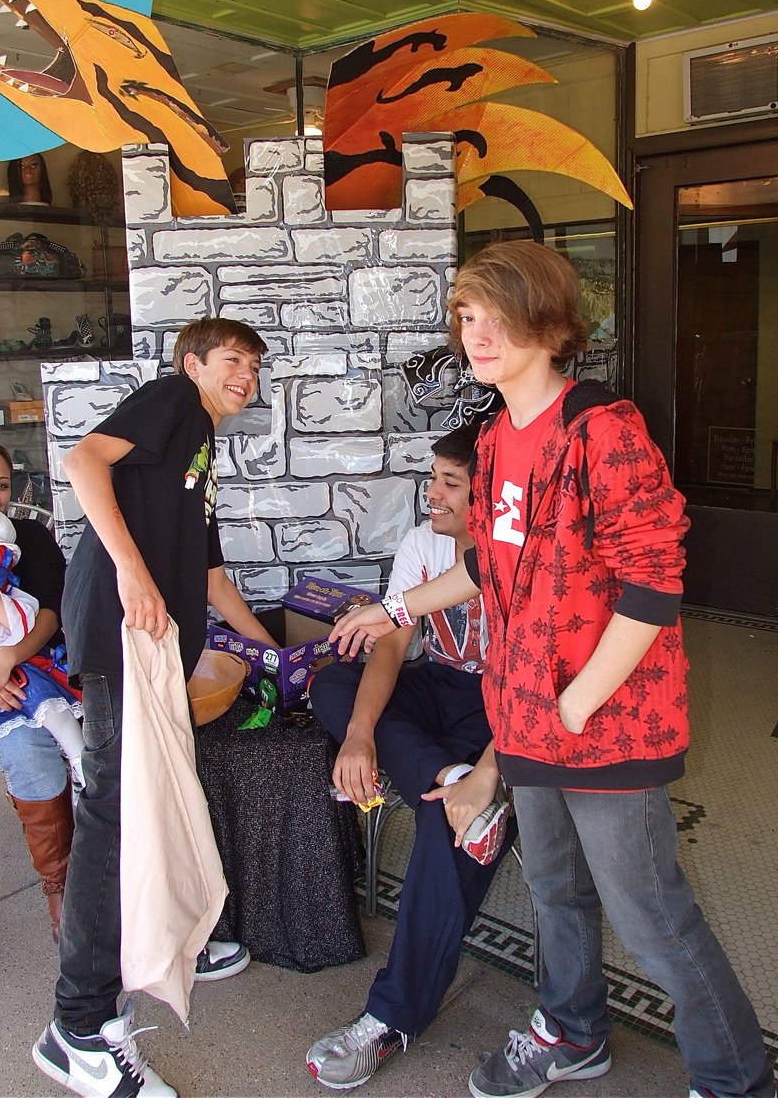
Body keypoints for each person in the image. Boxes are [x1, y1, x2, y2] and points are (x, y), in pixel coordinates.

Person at [328, 241, 776, 1098]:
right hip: (525, 711)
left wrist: (576, 702)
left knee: (651, 916)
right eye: (466, 316)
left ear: (548, 321)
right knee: (557, 890)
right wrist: (397, 609)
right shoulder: (494, 441)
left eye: (496, 313)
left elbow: (654, 579)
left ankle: (734, 1081)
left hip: (604, 725)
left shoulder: (601, 430)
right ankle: (573, 1032)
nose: (478, 331)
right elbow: (489, 567)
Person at [32, 317, 281, 1098]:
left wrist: (272, 651)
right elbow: (82, 460)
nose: (245, 375)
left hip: (154, 644)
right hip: (121, 633)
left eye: (254, 365)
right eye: (232, 360)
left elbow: (210, 579)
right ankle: (75, 1027)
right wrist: (133, 576)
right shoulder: (174, 398)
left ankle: (166, 931)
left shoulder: (198, 450)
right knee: (113, 814)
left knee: (158, 797)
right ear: (193, 363)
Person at [306, 422, 516, 1091]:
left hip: (505, 706)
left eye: (449, 485)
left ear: (487, 497)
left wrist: (491, 761)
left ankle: (389, 1019)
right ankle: (444, 776)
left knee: (439, 829)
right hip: (444, 692)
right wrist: (360, 735)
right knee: (336, 678)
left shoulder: (520, 559)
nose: (432, 496)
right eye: (433, 480)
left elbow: (540, 689)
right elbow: (394, 642)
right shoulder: (422, 544)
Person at [0, 439, 75, 940]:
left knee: (29, 749)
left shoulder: (30, 536)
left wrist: (5, 660)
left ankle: (60, 884)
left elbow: (52, 609)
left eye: (1, 485)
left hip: (23, 671)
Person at [0, 499, 84, 799]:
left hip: (16, 672)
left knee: (49, 709)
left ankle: (81, 762)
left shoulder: (5, 592)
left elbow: (20, 624)